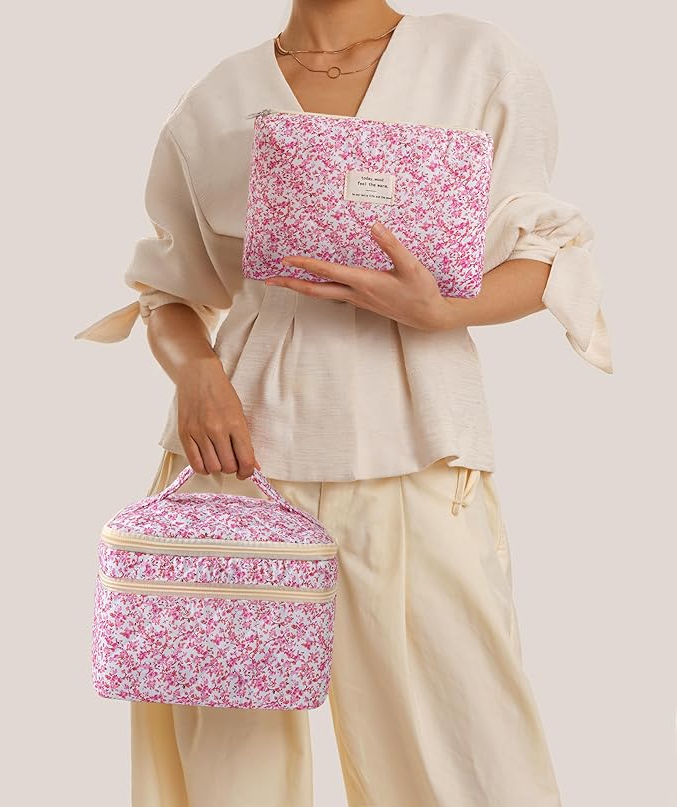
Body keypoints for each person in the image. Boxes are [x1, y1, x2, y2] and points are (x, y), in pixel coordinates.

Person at [75, 3, 613, 805]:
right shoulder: (216, 98)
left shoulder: (475, 61)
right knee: (228, 776)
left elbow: (547, 253)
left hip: (416, 450)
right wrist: (195, 373)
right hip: (233, 469)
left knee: (465, 756)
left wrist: (442, 310)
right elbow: (170, 288)